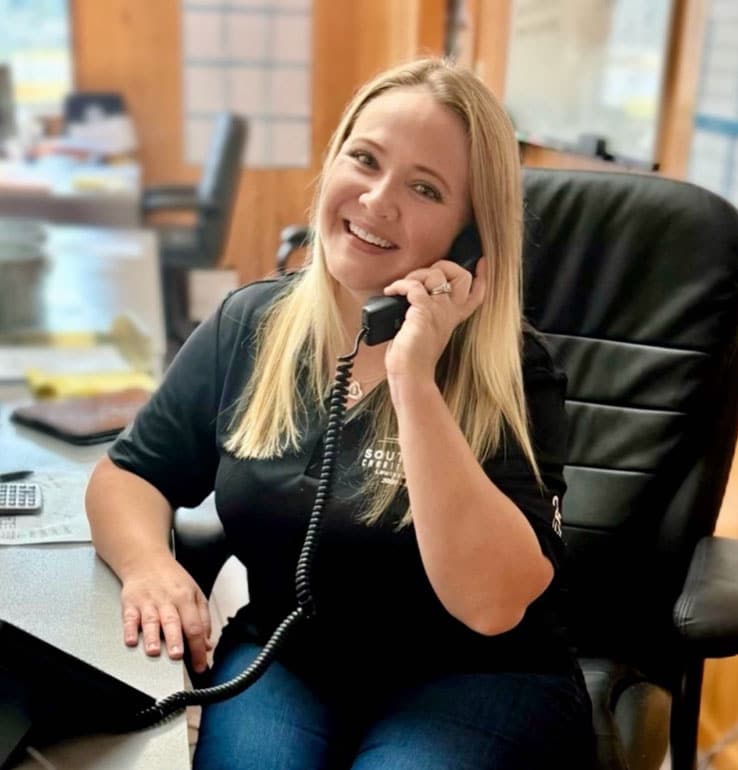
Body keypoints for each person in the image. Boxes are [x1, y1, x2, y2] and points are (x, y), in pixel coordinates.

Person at [85, 57, 594, 769]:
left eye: (425, 188)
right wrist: (148, 564)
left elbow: (491, 605)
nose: (378, 200)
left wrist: (413, 377)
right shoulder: (251, 325)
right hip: (290, 658)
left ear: (471, 238)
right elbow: (129, 475)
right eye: (365, 159)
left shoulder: (510, 373)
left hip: (477, 676)